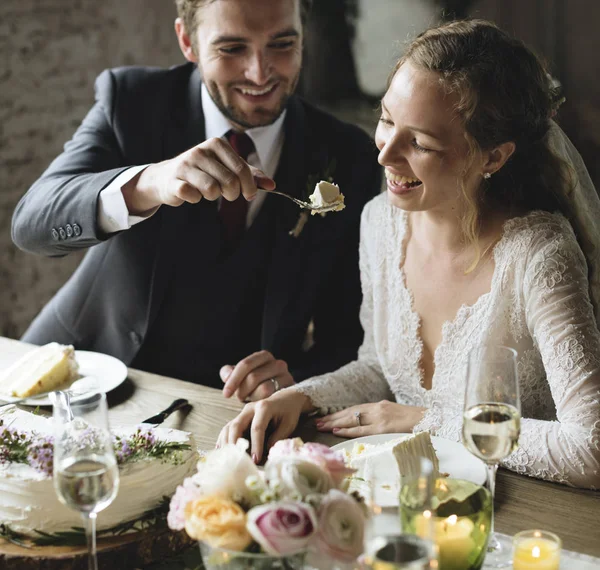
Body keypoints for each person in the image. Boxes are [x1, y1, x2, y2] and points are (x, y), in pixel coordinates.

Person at [218, 19, 600, 488]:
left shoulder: (540, 257)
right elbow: (379, 366)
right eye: (386, 120)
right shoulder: (379, 221)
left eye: (419, 142)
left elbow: (592, 447)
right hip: (405, 491)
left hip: (523, 512)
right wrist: (299, 397)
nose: (385, 154)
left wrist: (423, 421)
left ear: (493, 158)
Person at [11, 0, 382, 401]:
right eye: (232, 48)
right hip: (81, 379)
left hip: (229, 414)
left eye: (282, 44)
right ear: (187, 41)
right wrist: (149, 182)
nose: (259, 73)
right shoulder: (132, 102)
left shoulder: (348, 156)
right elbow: (32, 224)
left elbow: (346, 340)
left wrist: (292, 379)